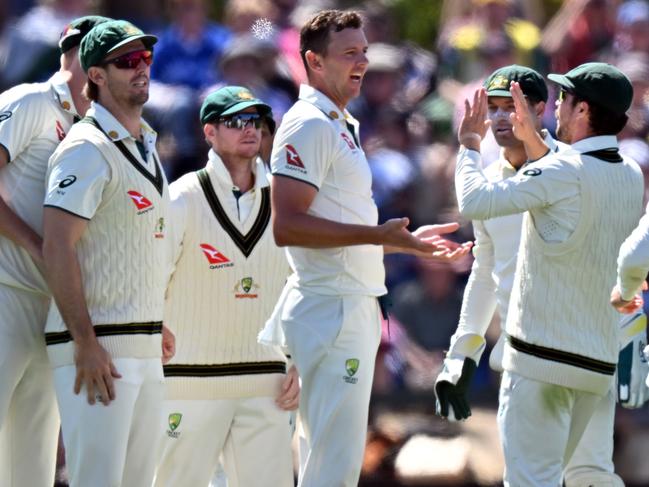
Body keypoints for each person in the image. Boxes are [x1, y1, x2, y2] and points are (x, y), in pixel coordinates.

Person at [258, 9, 472, 487]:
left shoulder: (338, 122)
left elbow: (338, 232)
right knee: (332, 466)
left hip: (345, 305)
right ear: (313, 61)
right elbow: (288, 225)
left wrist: (404, 246)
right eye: (349, 54)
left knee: (333, 462)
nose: (362, 64)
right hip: (328, 309)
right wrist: (378, 237)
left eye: (365, 53)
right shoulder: (309, 124)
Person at [437, 64, 640, 486]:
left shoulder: (561, 168)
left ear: (542, 110)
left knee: (540, 479)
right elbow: (486, 269)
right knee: (591, 475)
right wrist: (462, 352)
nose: (497, 118)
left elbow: (475, 200)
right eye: (490, 108)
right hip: (588, 358)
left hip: (539, 358)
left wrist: (468, 144)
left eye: (509, 107)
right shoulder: (615, 168)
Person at [42, 19, 172, 487]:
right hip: (99, 350)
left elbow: (138, 242)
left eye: (145, 58)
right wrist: (85, 343)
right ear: (95, 74)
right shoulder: (85, 147)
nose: (141, 68)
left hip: (142, 343)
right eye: (126, 61)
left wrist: (158, 319)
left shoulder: (147, 144)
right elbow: (56, 245)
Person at [154, 86, 299, 487]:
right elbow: (152, 278)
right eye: (235, 122)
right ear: (209, 133)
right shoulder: (182, 197)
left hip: (267, 383)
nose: (248, 129)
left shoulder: (288, 202)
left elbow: (304, 287)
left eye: (254, 121)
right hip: (188, 381)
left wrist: (300, 360)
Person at [0, 15, 109, 487]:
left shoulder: (95, 127)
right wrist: (35, 244)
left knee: (32, 463)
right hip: (5, 294)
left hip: (51, 309)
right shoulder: (30, 101)